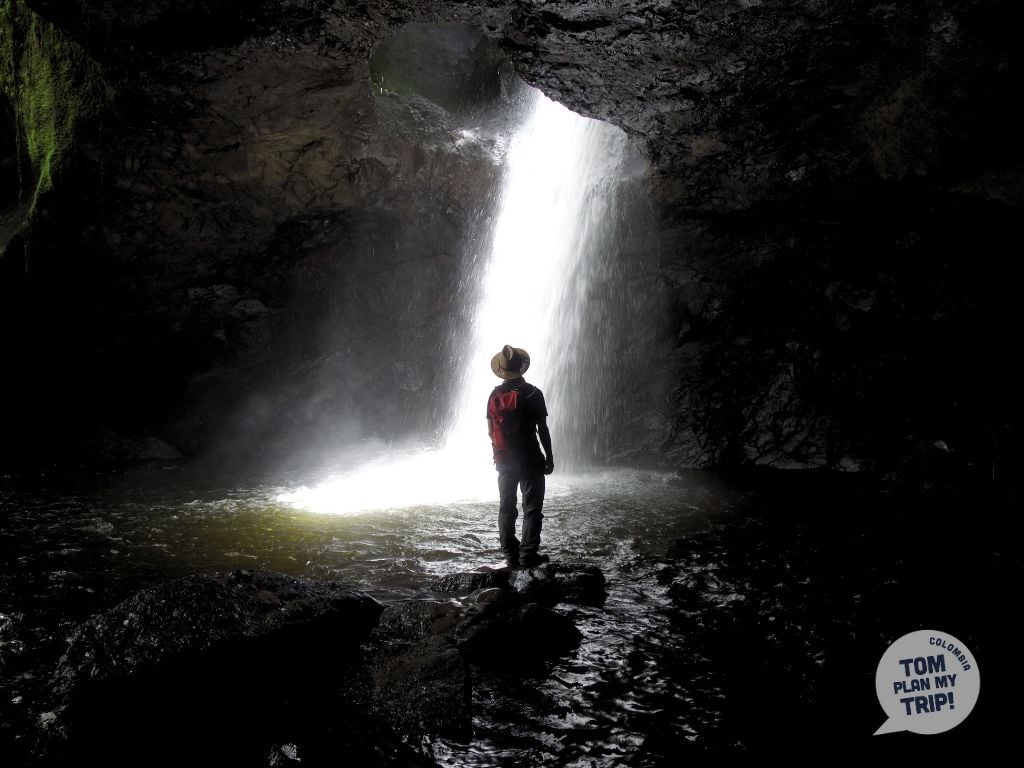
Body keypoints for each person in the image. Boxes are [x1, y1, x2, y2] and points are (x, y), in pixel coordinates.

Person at [486, 344, 554, 568]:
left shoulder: (494, 394)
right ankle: (527, 556)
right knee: (532, 508)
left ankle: (510, 555)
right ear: (521, 368)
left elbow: (490, 430)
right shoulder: (533, 393)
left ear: (502, 370)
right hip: (530, 459)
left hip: (503, 460)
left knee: (506, 507)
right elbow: (542, 429)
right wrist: (549, 457)